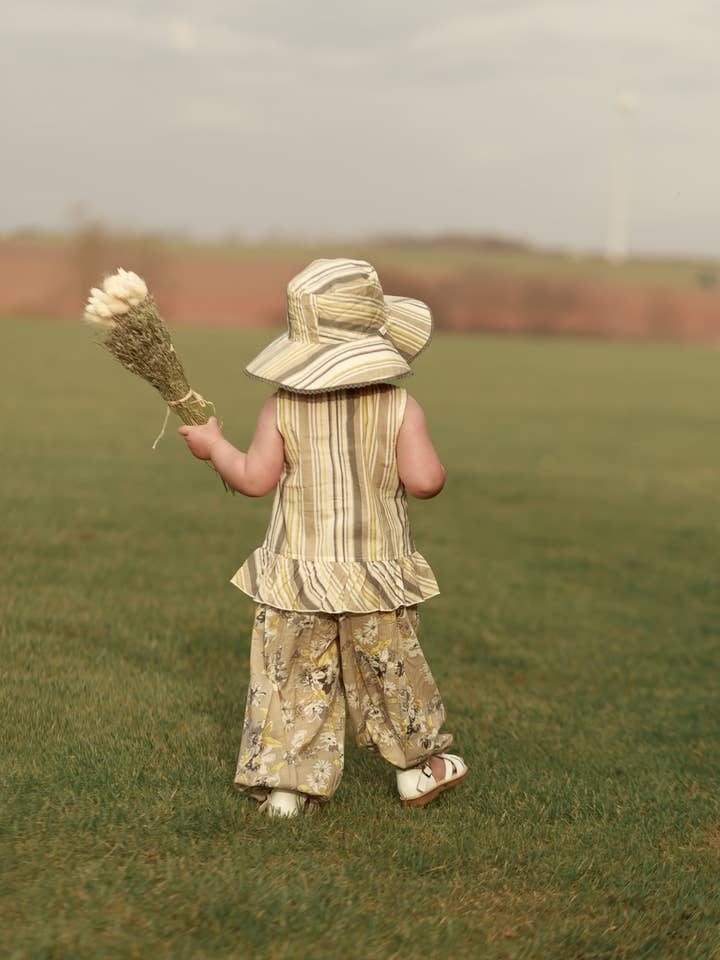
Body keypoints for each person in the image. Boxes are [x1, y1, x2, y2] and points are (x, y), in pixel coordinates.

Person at [179, 258, 467, 817]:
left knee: (292, 678)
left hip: (298, 577)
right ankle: (418, 769)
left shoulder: (281, 406)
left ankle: (287, 789)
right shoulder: (401, 407)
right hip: (373, 576)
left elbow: (255, 480)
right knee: (392, 673)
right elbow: (427, 481)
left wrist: (215, 446)